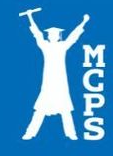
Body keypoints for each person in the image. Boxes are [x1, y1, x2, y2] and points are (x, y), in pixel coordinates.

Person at [21, 11, 90, 141]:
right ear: (48, 36)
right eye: (51, 34)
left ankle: (71, 134)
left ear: (59, 36)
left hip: (61, 83)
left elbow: (73, 36)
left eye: (55, 34)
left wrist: (83, 22)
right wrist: (30, 17)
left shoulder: (63, 46)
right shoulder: (45, 46)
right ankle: (29, 133)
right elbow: (37, 34)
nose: (53, 36)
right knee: (40, 109)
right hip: (48, 83)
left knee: (65, 110)